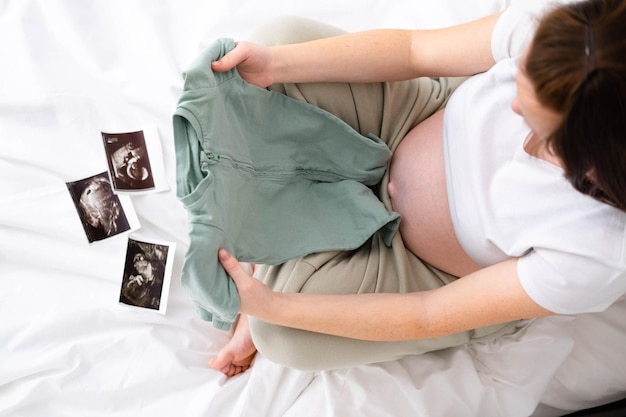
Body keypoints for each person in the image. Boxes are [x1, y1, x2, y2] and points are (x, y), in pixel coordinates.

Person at [205, 0, 626, 376]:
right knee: (280, 42)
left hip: (418, 265)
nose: (513, 107)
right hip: (408, 120)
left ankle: (284, 246)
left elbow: (428, 314)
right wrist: (275, 64)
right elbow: (413, 51)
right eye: (520, 83)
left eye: (534, 121)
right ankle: (295, 225)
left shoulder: (598, 252)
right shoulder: (569, 39)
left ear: (590, 161)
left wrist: (272, 307)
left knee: (280, 333)